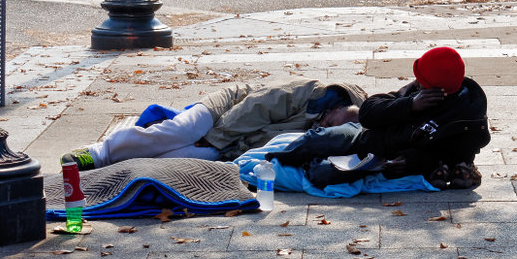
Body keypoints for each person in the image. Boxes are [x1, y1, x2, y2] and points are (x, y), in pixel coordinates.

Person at [267, 46, 490, 190]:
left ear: (435, 86)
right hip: (366, 135)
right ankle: (272, 162)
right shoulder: (418, 91)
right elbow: (368, 112)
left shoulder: (466, 115)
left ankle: (312, 165)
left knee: (321, 174)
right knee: (315, 139)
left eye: (421, 80)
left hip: (383, 158)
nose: (417, 81)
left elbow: (456, 153)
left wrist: (415, 161)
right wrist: (409, 104)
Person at [61, 78, 367, 170]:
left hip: (232, 143)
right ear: (339, 104)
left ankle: (110, 167)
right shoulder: (310, 94)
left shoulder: (324, 131)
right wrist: (214, 139)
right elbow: (252, 109)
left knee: (179, 158)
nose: (330, 124)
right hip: (223, 111)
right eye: (340, 114)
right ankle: (97, 152)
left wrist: (222, 151)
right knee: (182, 132)